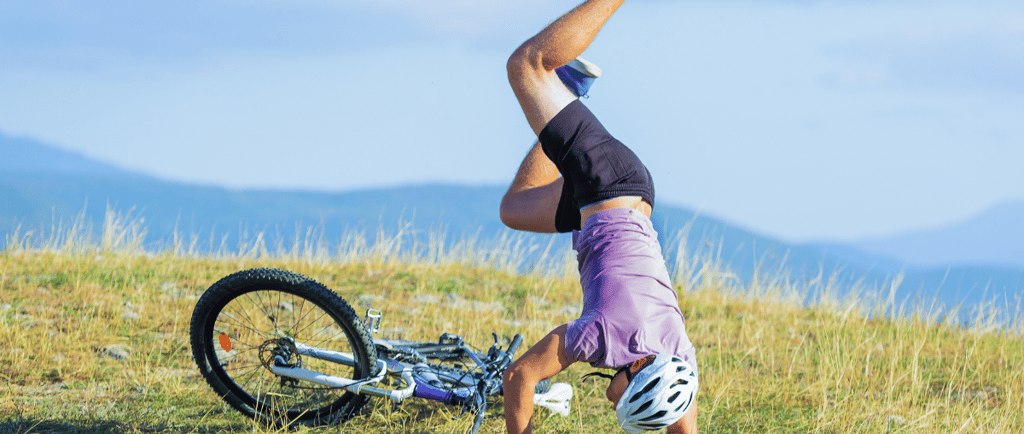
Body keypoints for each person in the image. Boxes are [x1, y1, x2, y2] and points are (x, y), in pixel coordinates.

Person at [499, 1, 700, 433]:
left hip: (619, 197)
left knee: (514, 210)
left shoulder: (677, 354)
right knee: (527, 65)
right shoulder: (601, 334)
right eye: (626, 398)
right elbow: (519, 377)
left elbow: (684, 425)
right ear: (638, 371)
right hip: (607, 181)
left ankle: (569, 88)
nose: (615, 404)